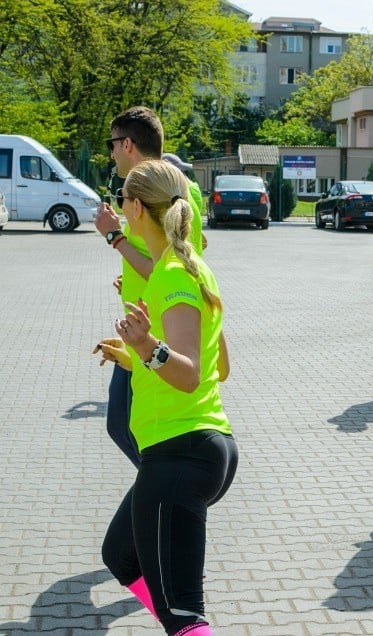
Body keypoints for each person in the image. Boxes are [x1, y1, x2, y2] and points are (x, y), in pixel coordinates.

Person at [95, 159, 237, 636]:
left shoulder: (175, 275)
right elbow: (222, 365)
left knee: (185, 615)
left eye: (121, 200)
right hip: (186, 450)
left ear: (135, 208)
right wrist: (132, 357)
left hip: (182, 454)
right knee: (120, 555)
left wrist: (148, 348)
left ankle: (181, 623)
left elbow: (194, 373)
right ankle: (175, 616)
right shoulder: (180, 270)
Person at [94, 106, 204, 467]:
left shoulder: (154, 189)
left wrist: (114, 237)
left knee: (127, 427)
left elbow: (169, 267)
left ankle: (164, 488)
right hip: (147, 322)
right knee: (124, 425)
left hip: (154, 330)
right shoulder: (178, 188)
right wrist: (130, 278)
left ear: (127, 144)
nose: (110, 153)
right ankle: (161, 489)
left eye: (112, 144)